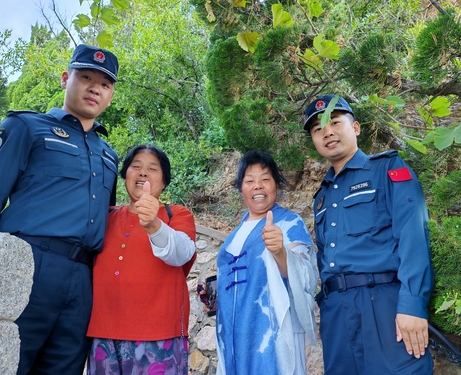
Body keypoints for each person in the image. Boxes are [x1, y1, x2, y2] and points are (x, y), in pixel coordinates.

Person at [0, 44, 120, 374]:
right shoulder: (25, 128)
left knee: (64, 367)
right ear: (66, 79)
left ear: (111, 95)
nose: (95, 88)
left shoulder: (109, 156)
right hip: (26, 264)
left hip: (82, 278)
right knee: (2, 363)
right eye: (86, 77)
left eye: (104, 84)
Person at [304, 94, 435, 374]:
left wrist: (413, 304)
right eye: (317, 129)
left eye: (335, 122)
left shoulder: (387, 169)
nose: (327, 132)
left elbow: (412, 234)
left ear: (356, 128)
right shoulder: (322, 198)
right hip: (336, 313)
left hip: (383, 304)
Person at [86, 145, 197, 375]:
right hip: (103, 335)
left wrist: (154, 226)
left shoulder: (176, 214)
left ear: (164, 181)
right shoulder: (104, 216)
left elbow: (182, 252)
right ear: (125, 175)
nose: (143, 173)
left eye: (152, 169)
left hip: (159, 336)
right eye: (135, 166)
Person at [206, 150, 318, 375]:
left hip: (271, 332)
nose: (257, 186)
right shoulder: (236, 233)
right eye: (250, 181)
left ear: (276, 185)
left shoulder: (288, 223)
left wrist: (281, 252)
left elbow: (307, 275)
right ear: (241, 189)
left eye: (265, 179)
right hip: (233, 334)